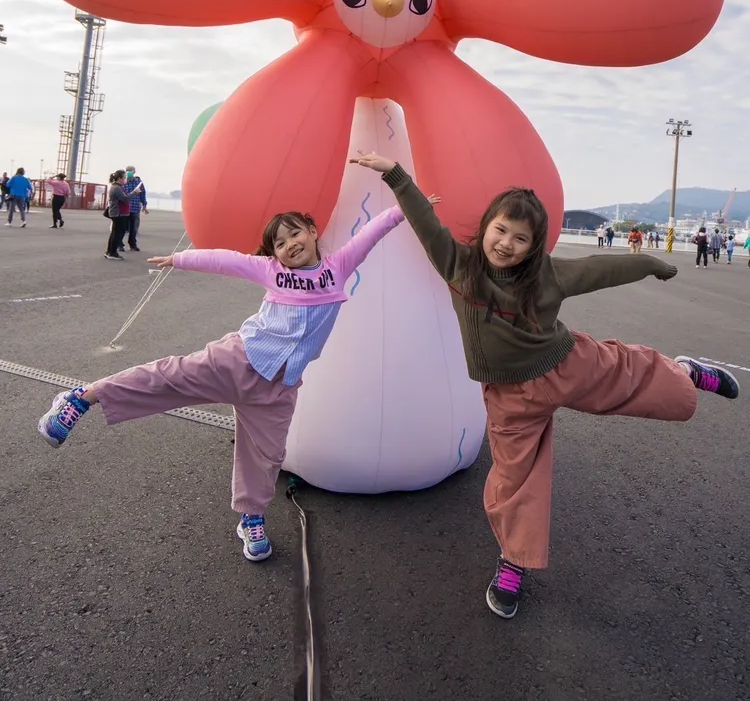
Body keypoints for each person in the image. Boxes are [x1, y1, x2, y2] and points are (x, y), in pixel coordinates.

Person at [350, 151, 740, 621]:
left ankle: (686, 373)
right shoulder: (459, 265)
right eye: (500, 230)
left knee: (636, 380)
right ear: (486, 227)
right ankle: (514, 560)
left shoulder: (544, 276)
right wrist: (394, 174)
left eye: (521, 238)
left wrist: (650, 264)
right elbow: (425, 220)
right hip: (510, 398)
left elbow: (598, 268)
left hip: (566, 364)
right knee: (515, 479)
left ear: (534, 246)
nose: (506, 244)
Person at [37, 196, 420, 561]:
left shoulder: (337, 268)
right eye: (280, 243)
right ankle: (82, 397)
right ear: (274, 254)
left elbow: (373, 231)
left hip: (280, 387)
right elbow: (226, 260)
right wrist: (180, 259)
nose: (290, 244)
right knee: (168, 377)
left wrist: (406, 204)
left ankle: (251, 518)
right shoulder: (272, 271)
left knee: (267, 455)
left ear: (313, 231)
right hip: (240, 359)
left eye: (295, 233)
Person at [104, 170, 142, 260]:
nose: (125, 179)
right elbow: (125, 199)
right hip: (118, 214)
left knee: (115, 233)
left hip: (120, 213)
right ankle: (112, 253)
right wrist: (135, 192)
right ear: (120, 178)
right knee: (117, 234)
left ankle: (110, 251)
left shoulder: (118, 187)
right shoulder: (116, 188)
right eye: (124, 177)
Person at [122, 165, 148, 251]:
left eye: (130, 170)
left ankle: (132, 244)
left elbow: (143, 194)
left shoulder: (138, 182)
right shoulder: (123, 182)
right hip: (124, 208)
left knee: (133, 229)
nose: (129, 172)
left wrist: (144, 205)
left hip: (135, 207)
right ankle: (119, 244)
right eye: (127, 170)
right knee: (122, 228)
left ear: (134, 172)